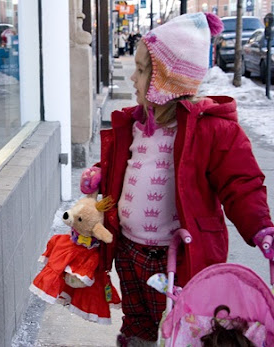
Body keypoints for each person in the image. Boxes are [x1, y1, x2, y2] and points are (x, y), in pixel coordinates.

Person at [78, 12, 274, 346]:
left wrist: (261, 227)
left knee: (184, 328)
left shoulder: (213, 131)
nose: (133, 80)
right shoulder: (135, 125)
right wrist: (100, 171)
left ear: (165, 83)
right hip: (129, 252)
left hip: (180, 260)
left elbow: (241, 183)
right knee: (136, 324)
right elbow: (126, 167)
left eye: (142, 72)